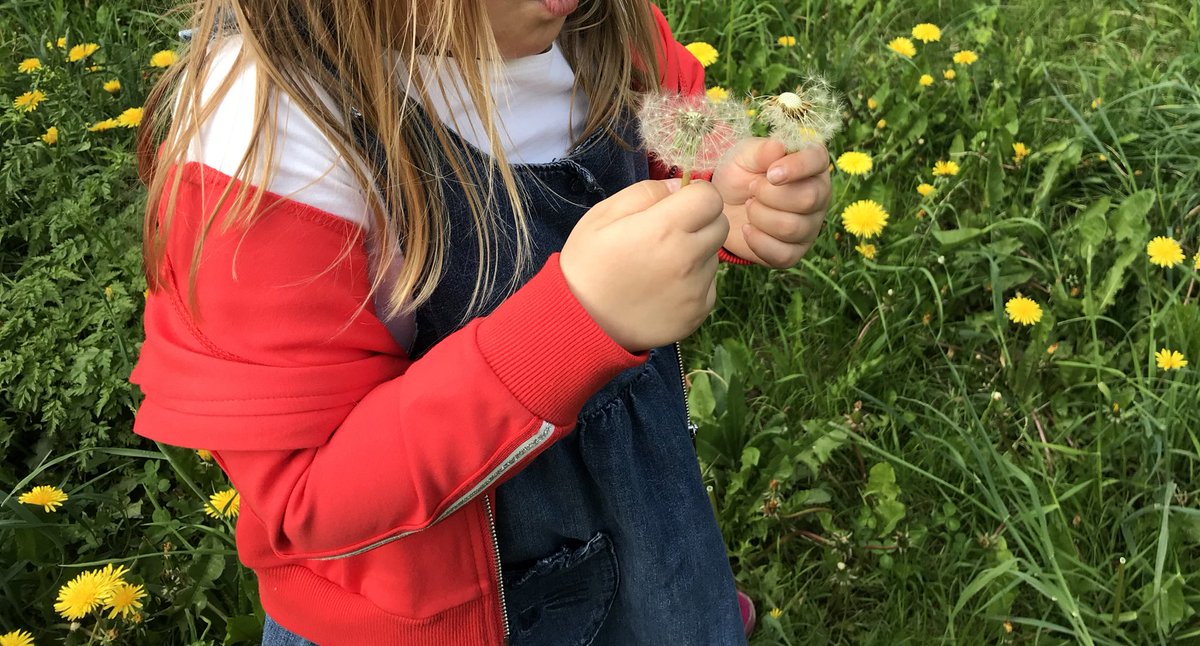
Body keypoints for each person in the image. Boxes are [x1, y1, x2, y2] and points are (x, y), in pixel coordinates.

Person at [130, 0, 831, 644]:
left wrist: (724, 187)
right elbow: (309, 496)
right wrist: (573, 328)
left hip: (645, 511)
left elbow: (673, 131)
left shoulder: (603, 25)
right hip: (463, 612)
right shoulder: (278, 139)